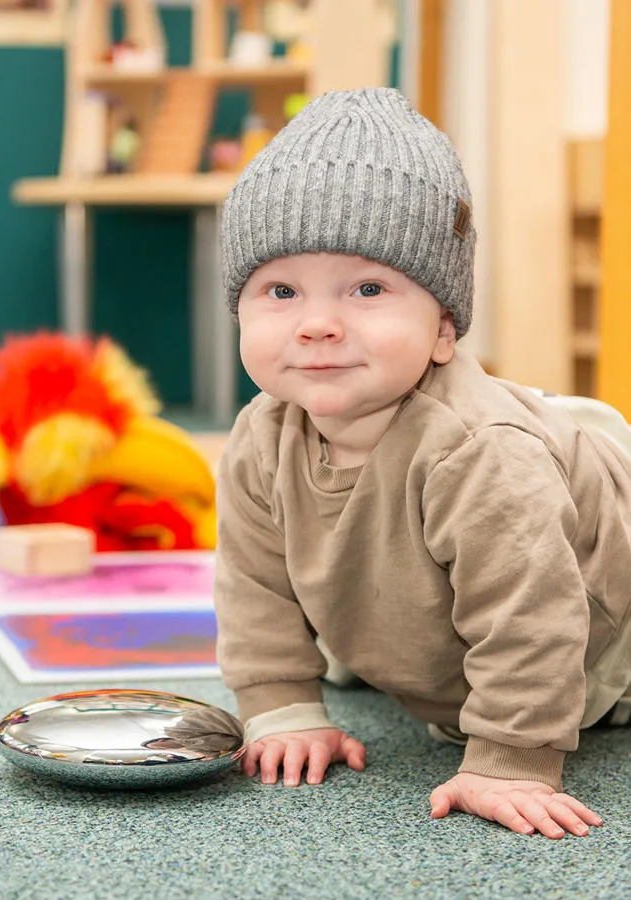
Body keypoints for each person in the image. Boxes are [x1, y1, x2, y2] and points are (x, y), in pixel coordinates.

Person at [214, 87, 631, 840]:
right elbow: (254, 583)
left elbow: (532, 611)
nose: (316, 324)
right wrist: (282, 707)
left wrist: (509, 756)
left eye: (368, 289)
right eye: (280, 290)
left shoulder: (479, 451)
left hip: (606, 633)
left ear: (443, 328)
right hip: (432, 611)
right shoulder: (259, 435)